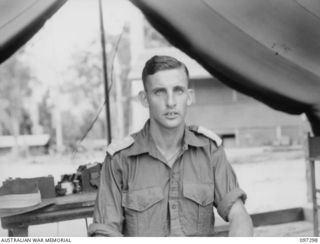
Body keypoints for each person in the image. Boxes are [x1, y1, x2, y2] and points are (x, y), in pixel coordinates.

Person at [88, 55, 253, 237]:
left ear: (189, 97)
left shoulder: (210, 150)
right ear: (144, 99)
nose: (171, 102)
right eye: (160, 92)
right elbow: (104, 232)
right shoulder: (119, 159)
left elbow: (239, 215)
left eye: (178, 91)